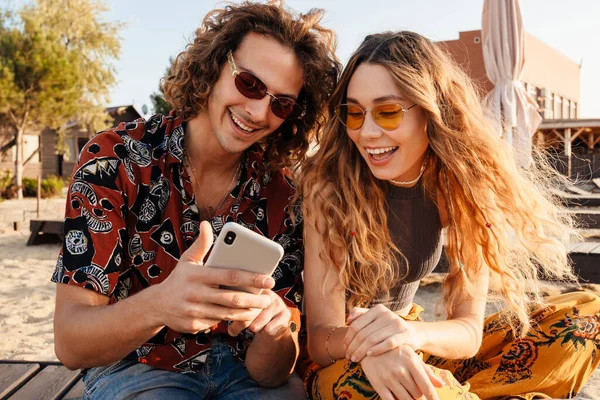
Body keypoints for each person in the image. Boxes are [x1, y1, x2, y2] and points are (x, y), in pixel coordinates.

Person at [51, 1, 339, 398]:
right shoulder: (113, 160)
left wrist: (275, 332)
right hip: (137, 365)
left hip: (243, 374)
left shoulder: (285, 191)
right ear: (215, 66)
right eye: (250, 84)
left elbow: (271, 374)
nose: (258, 111)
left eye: (281, 103)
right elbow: (70, 343)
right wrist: (159, 306)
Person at [299, 31, 600, 400]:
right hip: (340, 361)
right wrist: (377, 347)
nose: (368, 131)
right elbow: (319, 339)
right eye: (354, 112)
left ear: (431, 110)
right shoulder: (329, 189)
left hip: (411, 339)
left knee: (585, 317)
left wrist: (410, 335)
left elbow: (469, 331)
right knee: (376, 389)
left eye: (388, 112)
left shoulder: (461, 188)